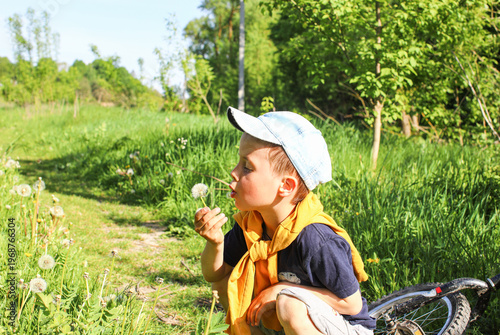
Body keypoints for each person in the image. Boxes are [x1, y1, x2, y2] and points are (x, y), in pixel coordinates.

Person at [194, 107, 375, 335]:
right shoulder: (252, 226)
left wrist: (284, 289)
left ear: (286, 186)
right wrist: (215, 244)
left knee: (289, 304)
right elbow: (214, 276)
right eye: (238, 162)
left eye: (247, 167)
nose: (233, 172)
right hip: (290, 324)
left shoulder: (316, 239)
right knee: (229, 281)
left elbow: (352, 304)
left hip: (344, 327)